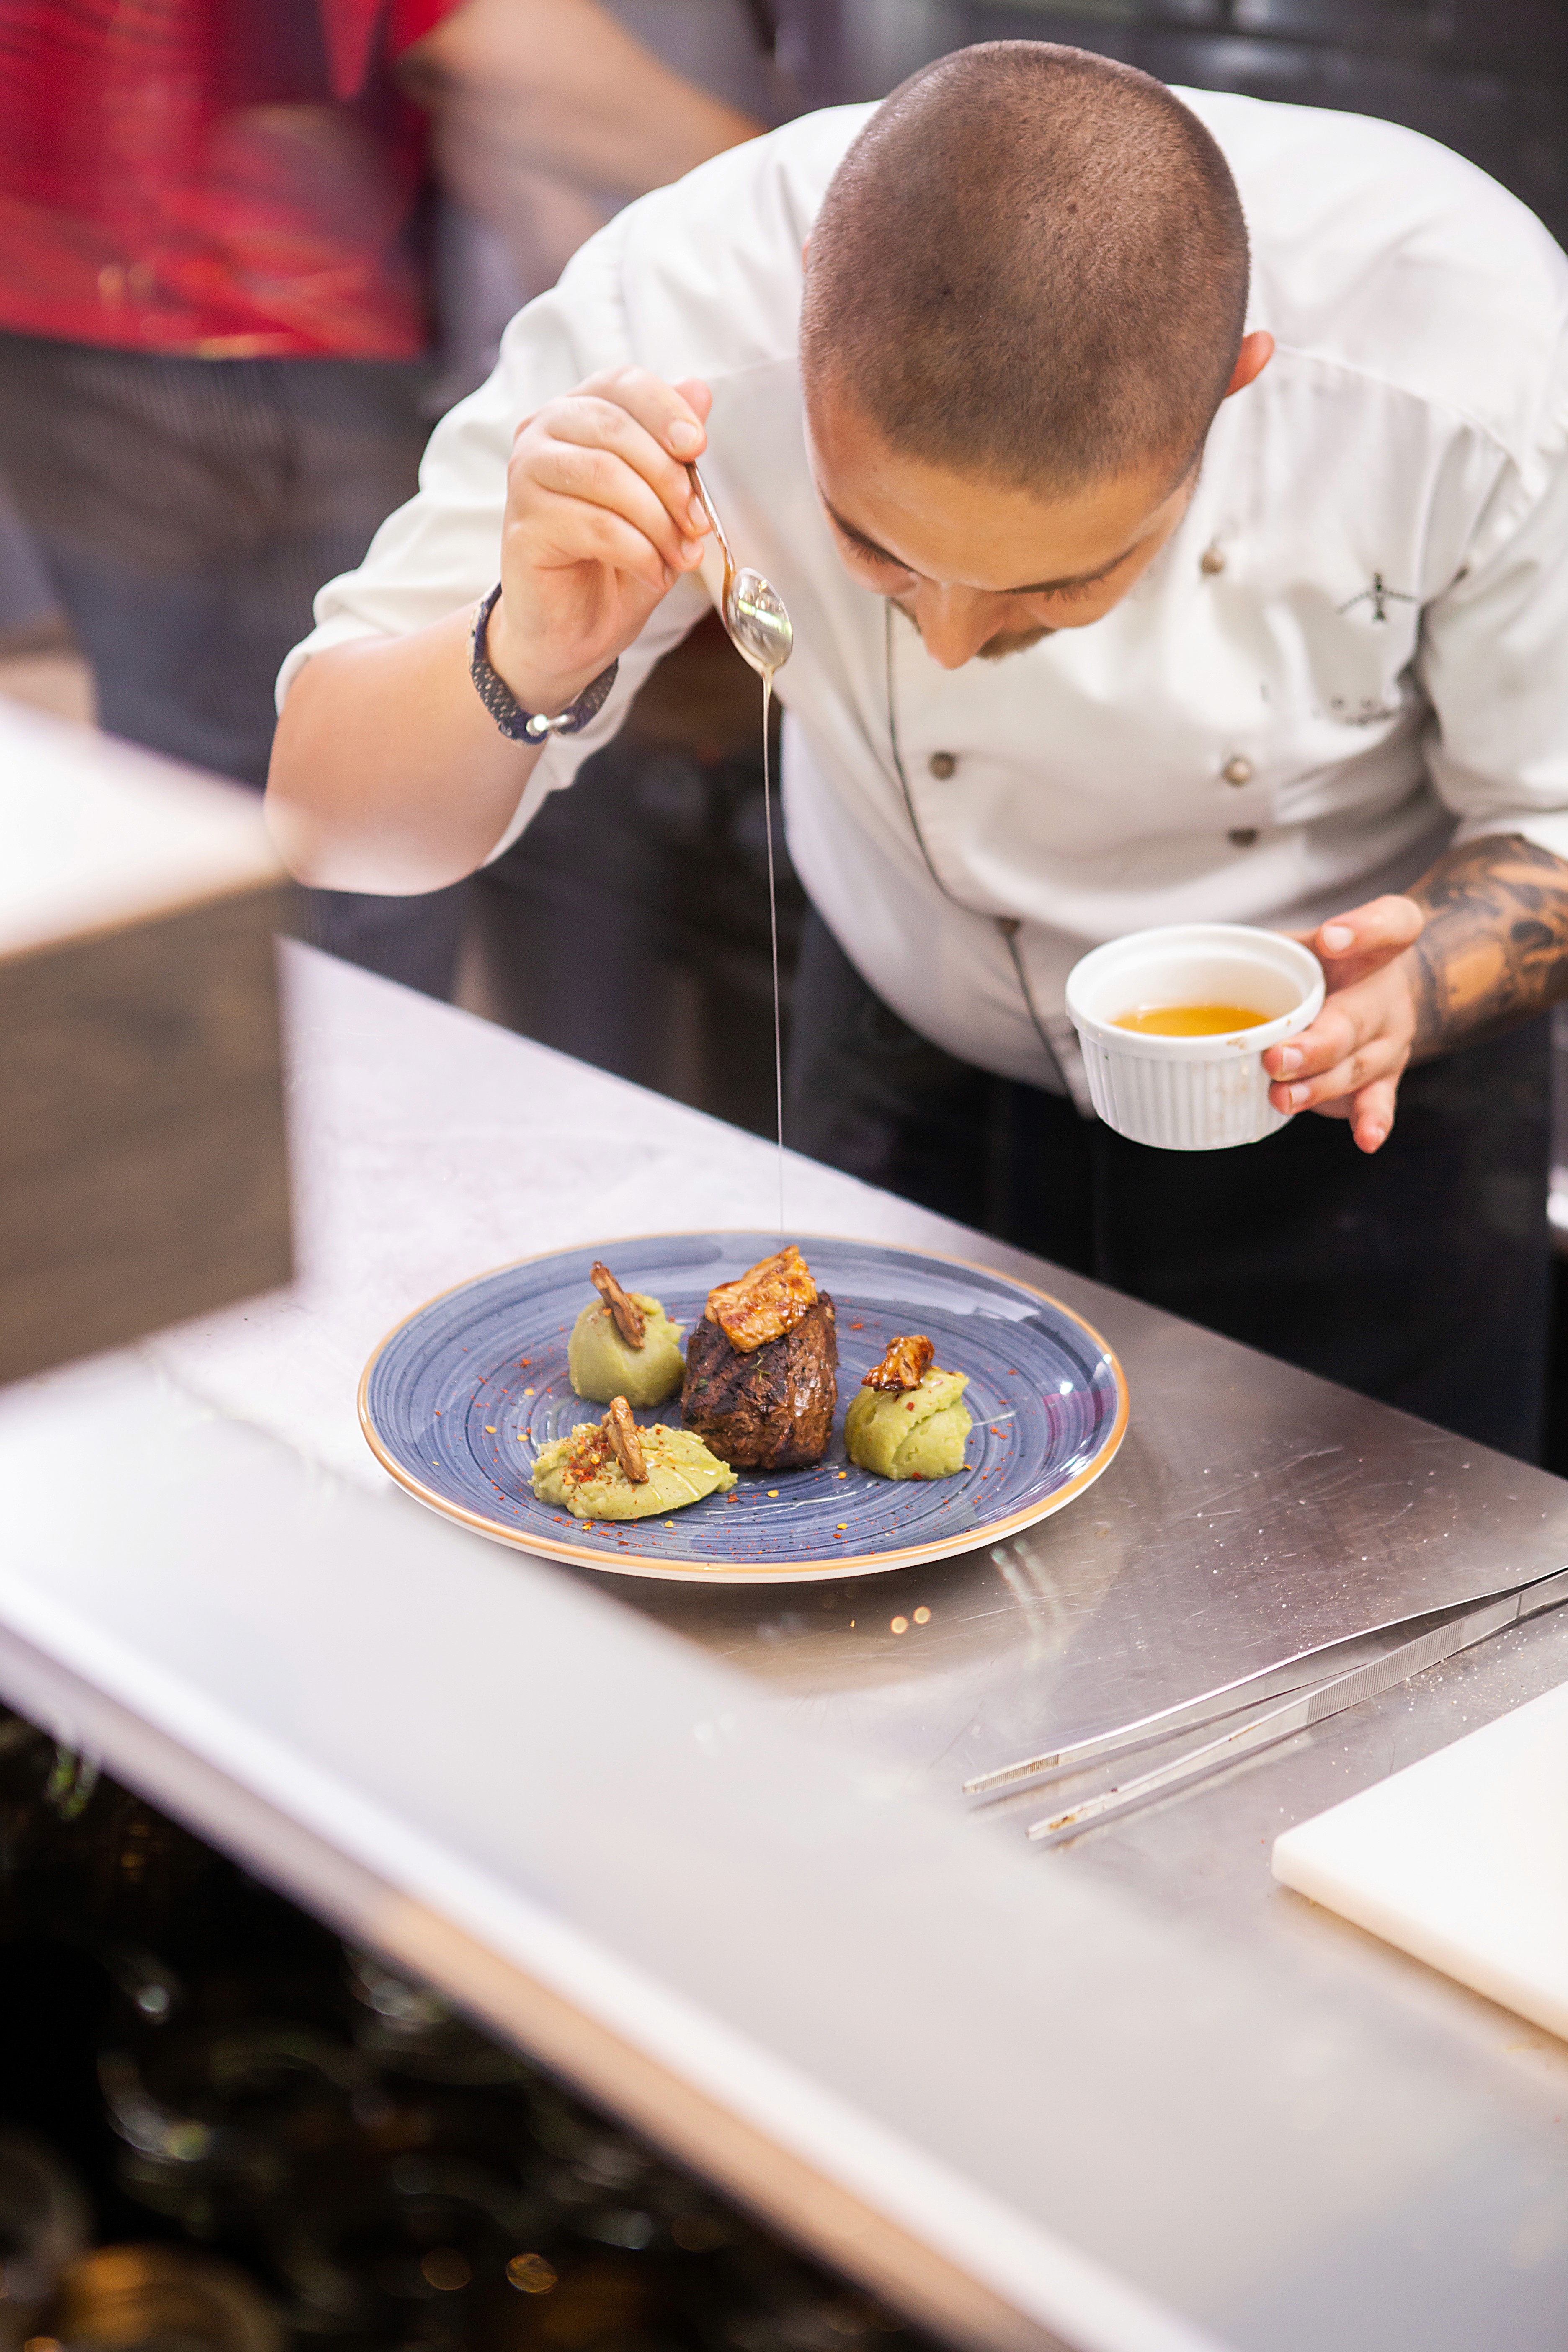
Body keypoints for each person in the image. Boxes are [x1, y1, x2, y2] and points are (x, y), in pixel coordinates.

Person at [265, 42, 1568, 1458]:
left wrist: (1428, 975)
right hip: (911, 1053)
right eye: (875, 554)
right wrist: (528, 647)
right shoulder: (683, 309)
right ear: (800, 345)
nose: (947, 642)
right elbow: (332, 826)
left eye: (1054, 587)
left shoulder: (1472, 351)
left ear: (1236, 389)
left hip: (1358, 1100)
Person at [0, 0, 770, 993]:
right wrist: (809, 184)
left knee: (198, 789)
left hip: (74, 290)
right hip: (237, 319)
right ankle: (279, 1126)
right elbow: (481, 36)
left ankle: (215, 1108)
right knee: (339, 848)